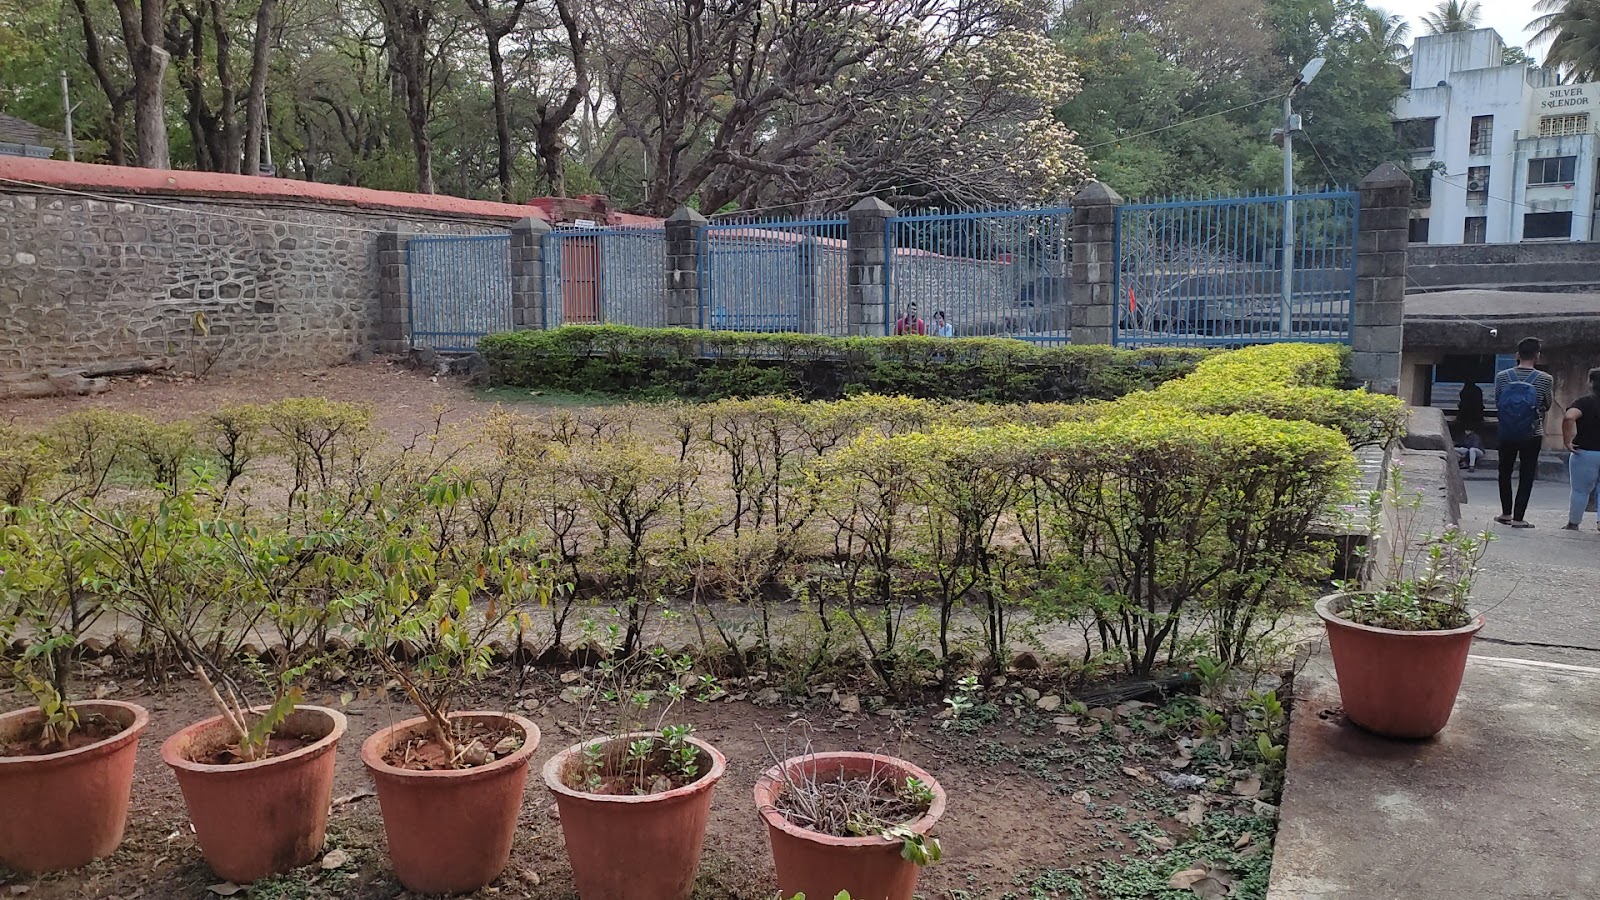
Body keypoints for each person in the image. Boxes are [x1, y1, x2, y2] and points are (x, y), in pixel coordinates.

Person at [1494, 337, 1555, 528]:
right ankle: (1519, 518)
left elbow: (1498, 401)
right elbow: (1547, 404)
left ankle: (1505, 513)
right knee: (1526, 474)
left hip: (1506, 431)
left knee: (1504, 471)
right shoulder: (1545, 379)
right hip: (1532, 432)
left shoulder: (1502, 376)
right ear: (1537, 355)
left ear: (1517, 355)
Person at [1562, 366, 1600, 531]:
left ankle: (1574, 522)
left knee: (1580, 490)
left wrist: (1567, 440)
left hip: (1585, 451)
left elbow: (1569, 417)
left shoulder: (1584, 402)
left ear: (1591, 382)